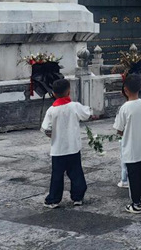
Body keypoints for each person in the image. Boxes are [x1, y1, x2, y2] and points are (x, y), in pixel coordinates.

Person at [40, 78, 92, 208]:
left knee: (57, 175)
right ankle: (78, 196)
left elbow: (46, 129)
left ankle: (53, 199)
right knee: (76, 172)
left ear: (54, 93)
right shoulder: (74, 106)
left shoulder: (52, 110)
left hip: (58, 148)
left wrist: (52, 134)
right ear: (69, 91)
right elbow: (87, 113)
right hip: (73, 146)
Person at [114, 74, 141, 214]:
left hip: (130, 148)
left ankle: (135, 203)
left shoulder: (124, 108)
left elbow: (119, 129)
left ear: (125, 89)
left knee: (133, 175)